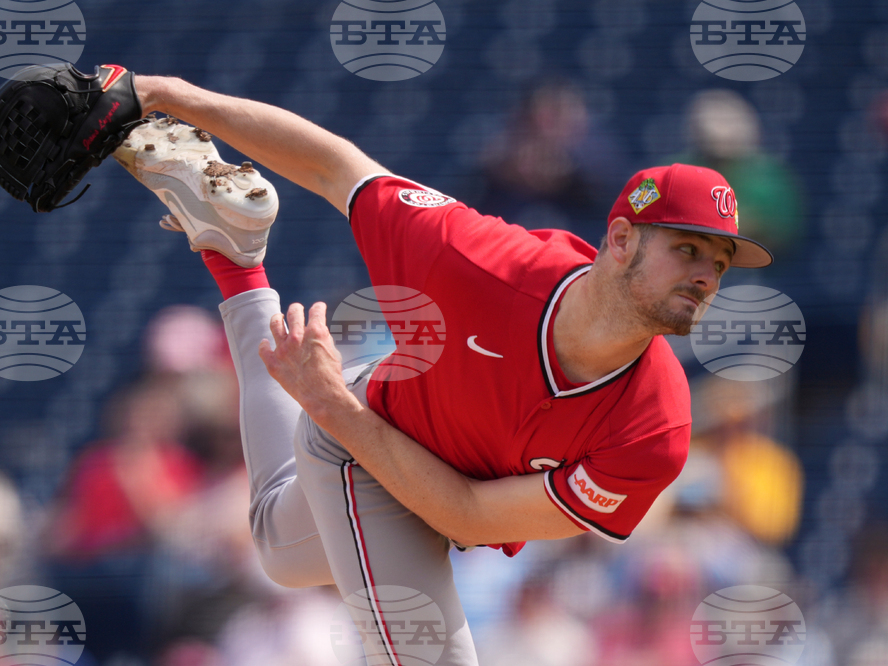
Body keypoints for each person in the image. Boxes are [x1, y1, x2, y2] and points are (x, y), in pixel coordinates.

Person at [117, 73, 773, 665]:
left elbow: (468, 516)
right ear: (622, 239)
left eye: (718, 262)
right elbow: (336, 168)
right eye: (687, 248)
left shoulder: (657, 429)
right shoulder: (483, 263)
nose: (705, 275)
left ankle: (234, 257)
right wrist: (167, 95)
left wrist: (325, 400)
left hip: (435, 496)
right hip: (364, 447)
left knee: (280, 551)